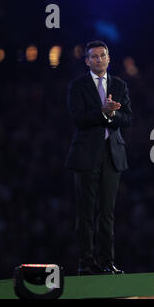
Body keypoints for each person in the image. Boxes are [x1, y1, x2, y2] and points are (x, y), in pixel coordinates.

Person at [65, 40, 133, 275]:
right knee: (85, 212)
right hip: (86, 155)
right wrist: (102, 112)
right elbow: (78, 118)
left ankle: (107, 262)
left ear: (108, 58)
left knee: (107, 212)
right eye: (93, 56)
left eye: (102, 55)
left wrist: (112, 115)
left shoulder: (120, 85)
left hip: (112, 154)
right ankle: (86, 263)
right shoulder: (78, 86)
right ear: (87, 60)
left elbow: (127, 119)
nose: (98, 59)